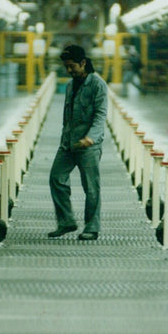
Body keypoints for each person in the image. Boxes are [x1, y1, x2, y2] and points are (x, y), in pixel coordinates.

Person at [48, 45, 108, 241]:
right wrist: (65, 140)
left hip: (88, 145)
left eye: (73, 66)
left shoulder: (98, 85)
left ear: (83, 63)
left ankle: (92, 227)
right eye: (66, 67)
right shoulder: (70, 85)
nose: (69, 70)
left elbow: (100, 116)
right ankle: (66, 221)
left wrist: (91, 138)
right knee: (56, 178)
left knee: (91, 187)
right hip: (69, 144)